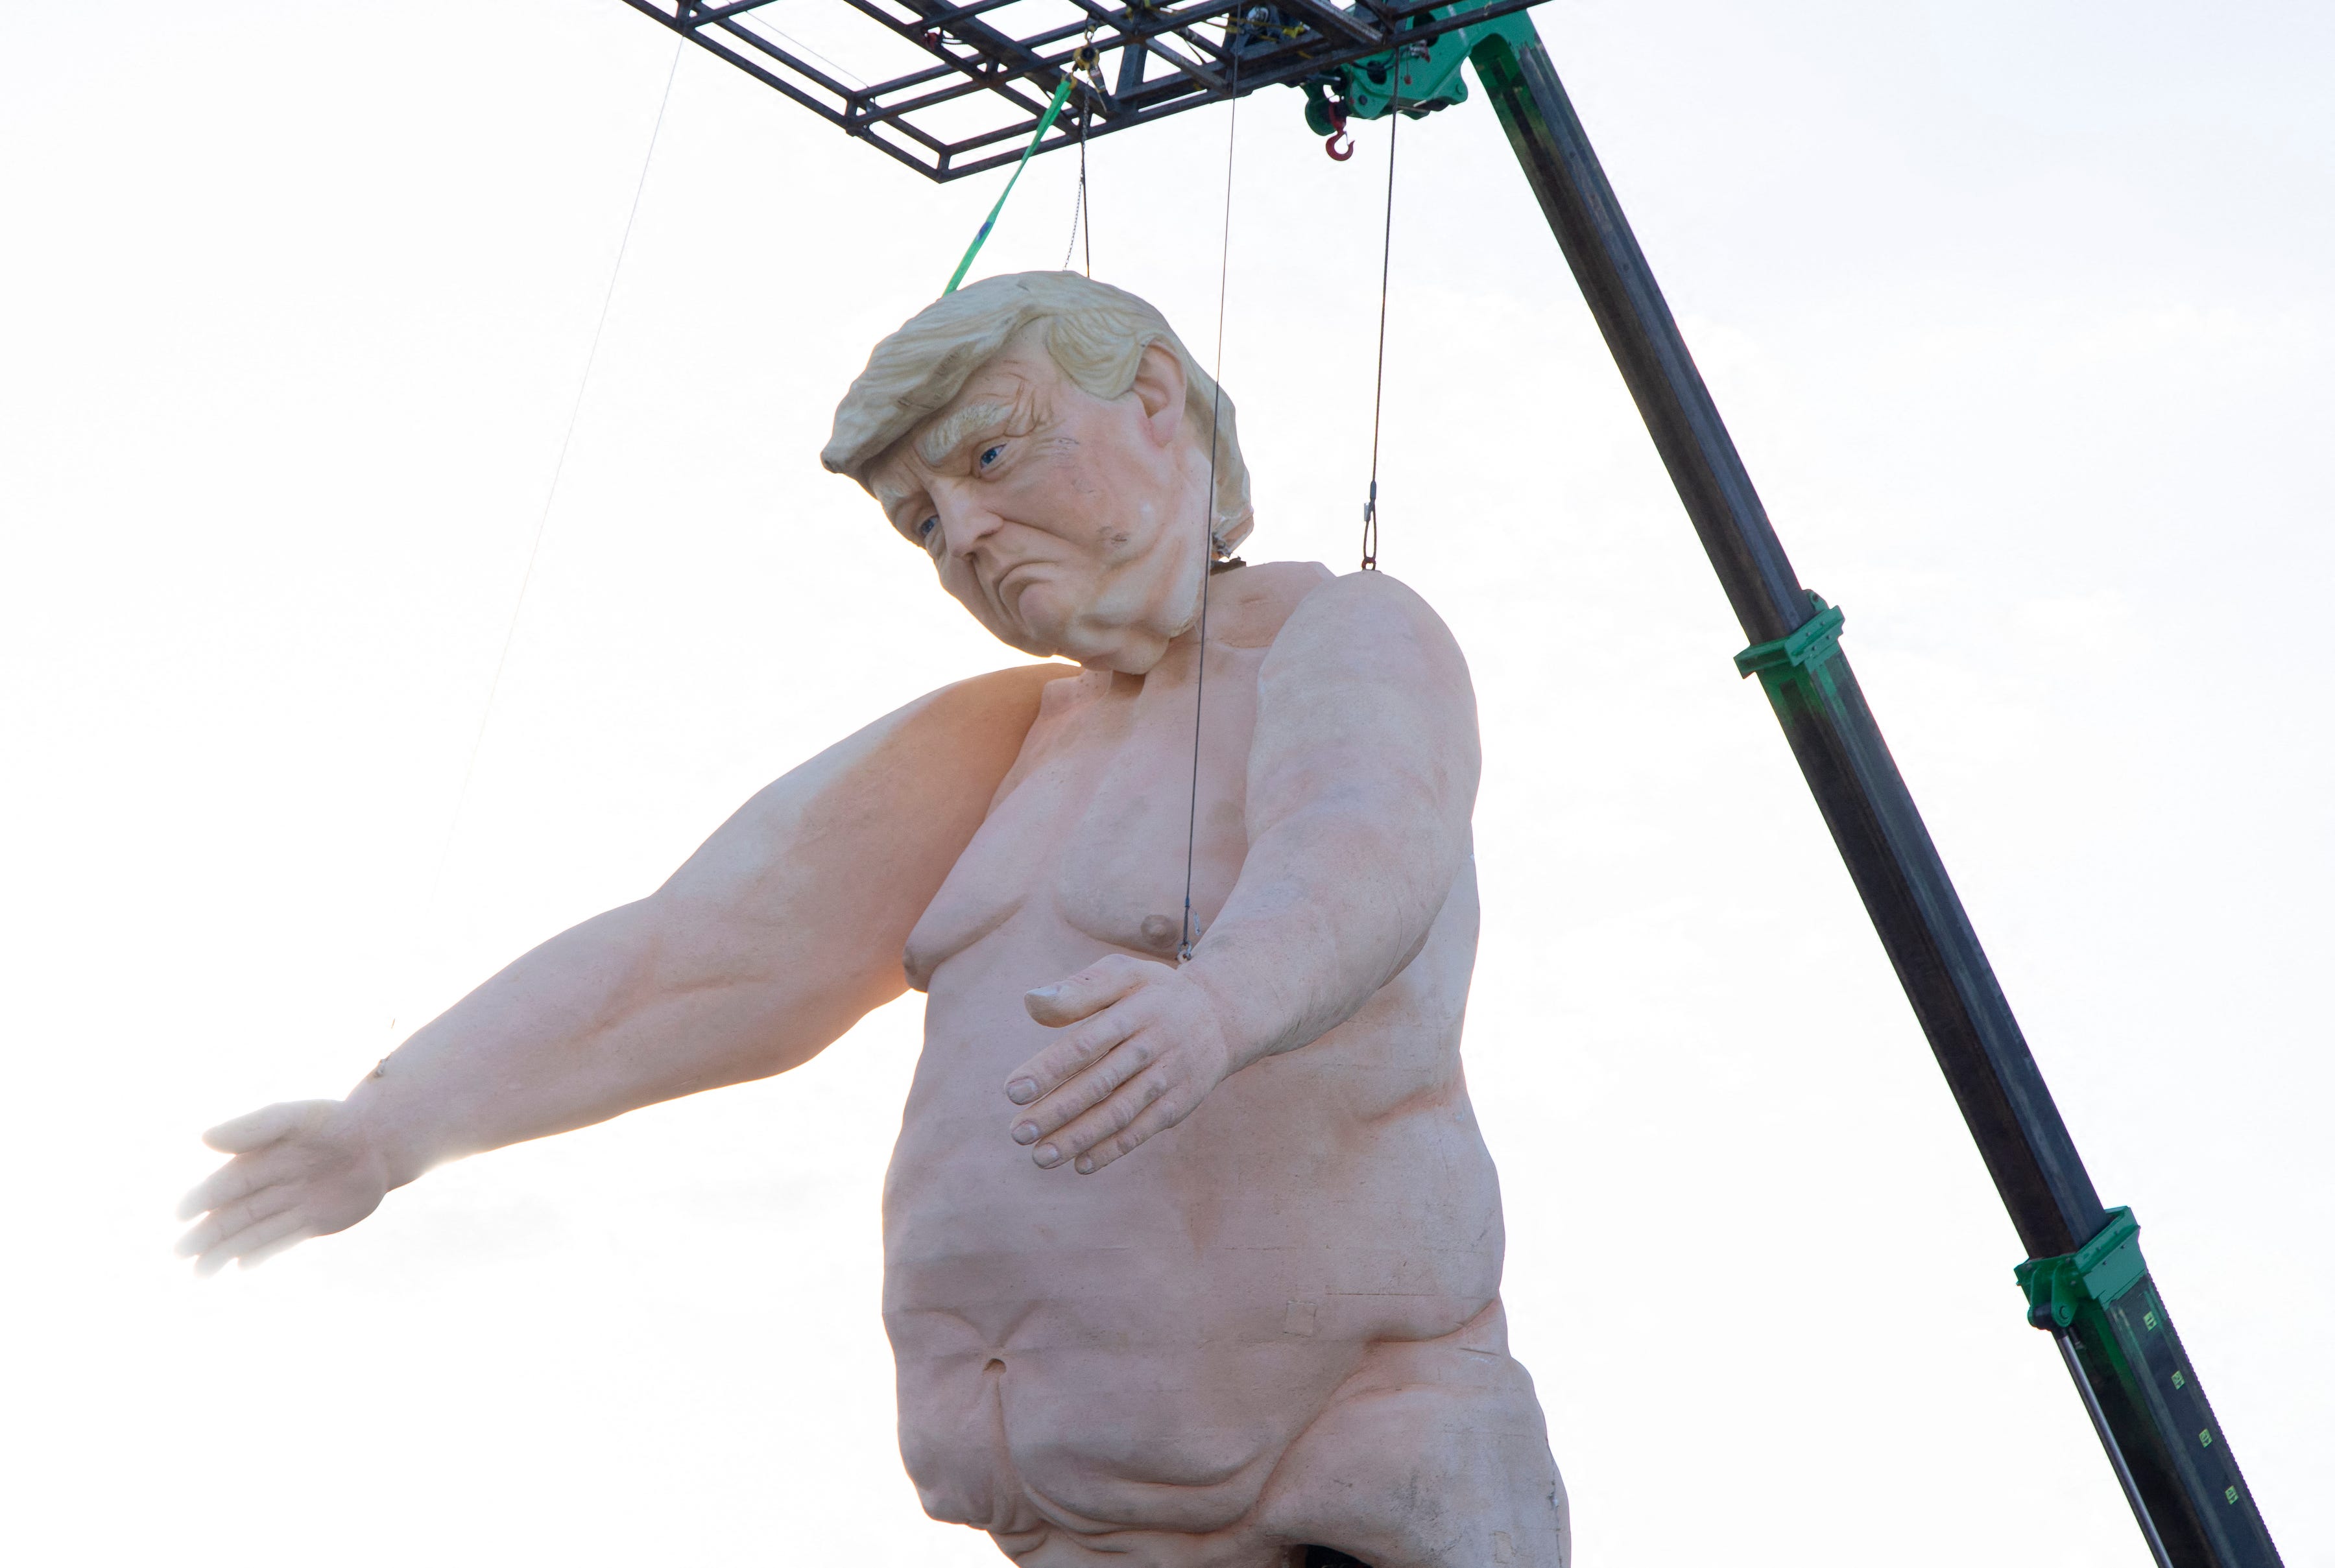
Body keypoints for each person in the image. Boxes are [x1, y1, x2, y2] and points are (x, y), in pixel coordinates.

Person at [178, 272, 1568, 1567]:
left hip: (1352, 1499)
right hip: (1076, 1533)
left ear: (1154, 399)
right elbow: (689, 962)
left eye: (990, 456)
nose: (965, 535)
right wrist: (392, 1125)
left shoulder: (1343, 630)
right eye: (922, 523)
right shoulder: (1000, 741)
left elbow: (1363, 845)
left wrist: (1220, 1003)